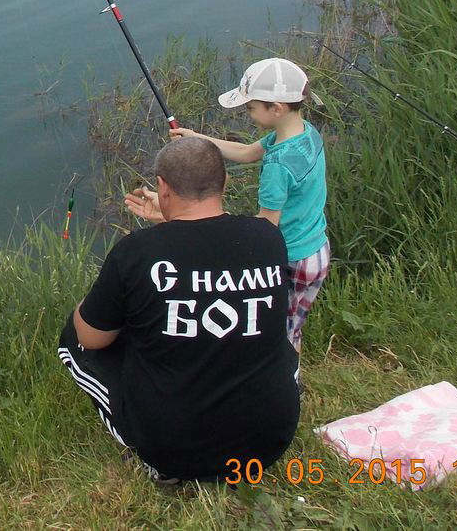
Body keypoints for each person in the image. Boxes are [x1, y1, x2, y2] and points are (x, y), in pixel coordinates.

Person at [58, 137, 300, 484]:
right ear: (225, 182)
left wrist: (90, 305)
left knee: (75, 337)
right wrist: (170, 224)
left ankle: (155, 461)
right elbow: (207, 255)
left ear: (162, 187)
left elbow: (92, 338)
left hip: (172, 450)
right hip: (269, 441)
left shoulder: (136, 251)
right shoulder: (267, 238)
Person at [173, 57, 329, 354]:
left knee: (282, 330)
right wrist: (198, 139)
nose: (248, 114)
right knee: (292, 323)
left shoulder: (277, 166)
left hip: (294, 259)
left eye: (251, 107)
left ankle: (288, 383)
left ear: (276, 108)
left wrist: (219, 231)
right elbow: (246, 152)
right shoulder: (305, 133)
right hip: (315, 248)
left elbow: (266, 227)